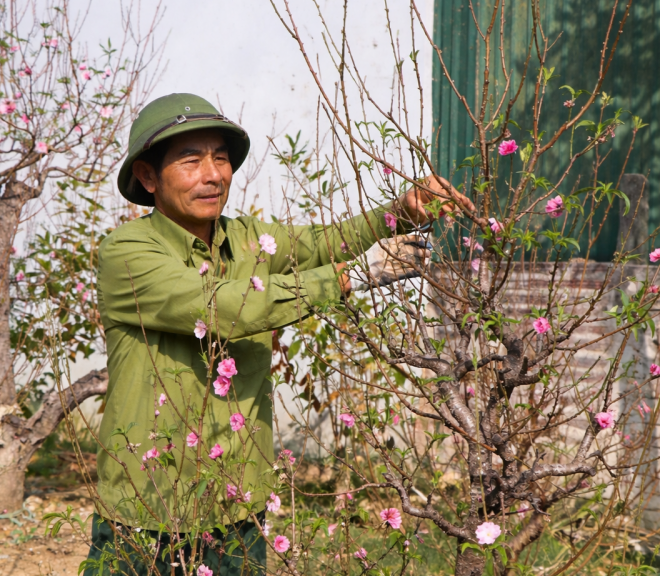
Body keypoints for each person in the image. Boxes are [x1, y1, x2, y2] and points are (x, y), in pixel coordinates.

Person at [85, 93, 469, 575]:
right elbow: (220, 306)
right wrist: (354, 276)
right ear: (147, 176)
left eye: (220, 158)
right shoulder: (126, 252)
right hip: (149, 508)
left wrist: (402, 211)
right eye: (190, 160)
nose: (213, 174)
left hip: (234, 505)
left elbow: (325, 242)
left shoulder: (246, 238)